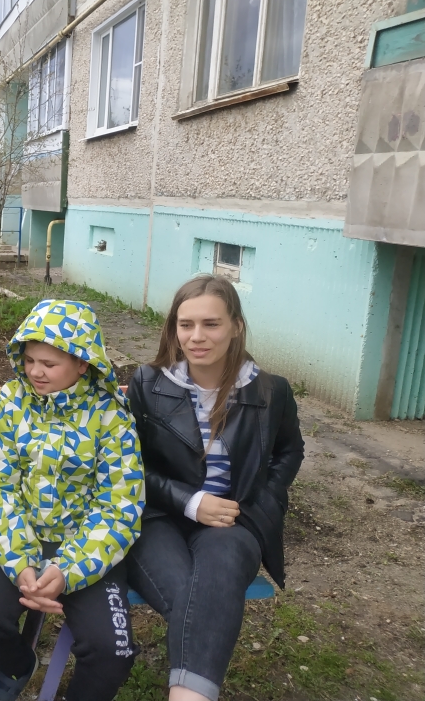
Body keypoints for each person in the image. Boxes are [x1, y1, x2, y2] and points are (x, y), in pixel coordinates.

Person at [125, 275, 305, 701]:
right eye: (185, 324)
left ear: (236, 326)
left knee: (211, 582)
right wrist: (190, 501)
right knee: (200, 598)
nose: (196, 336)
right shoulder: (148, 383)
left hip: (233, 521)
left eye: (211, 324)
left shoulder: (271, 390)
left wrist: (265, 499)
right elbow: (128, 465)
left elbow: (289, 450)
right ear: (174, 328)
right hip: (157, 516)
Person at [0, 299, 144, 701]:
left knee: (113, 653)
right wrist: (21, 562)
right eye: (29, 360)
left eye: (49, 363)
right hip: (16, 537)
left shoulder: (111, 416)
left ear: (82, 363)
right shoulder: (11, 403)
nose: (35, 372)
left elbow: (120, 506)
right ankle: (17, 664)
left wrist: (68, 569)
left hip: (88, 545)